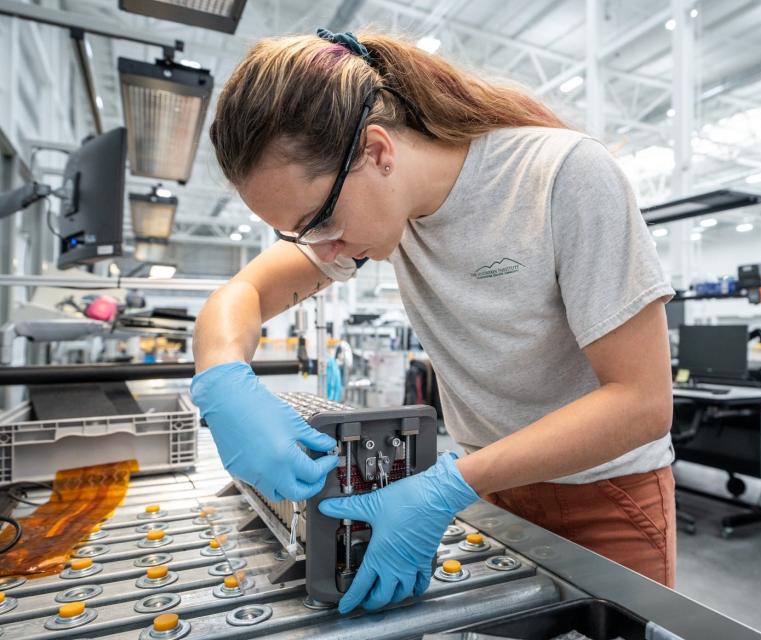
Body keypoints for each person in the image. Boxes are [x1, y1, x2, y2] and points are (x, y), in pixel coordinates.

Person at [190, 28, 676, 615]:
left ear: (376, 152)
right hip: (486, 489)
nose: (321, 248)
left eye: (318, 221)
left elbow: (642, 402)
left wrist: (446, 486)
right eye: (301, 235)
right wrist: (222, 380)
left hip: (603, 497)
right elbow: (241, 293)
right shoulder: (379, 212)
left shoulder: (560, 175)